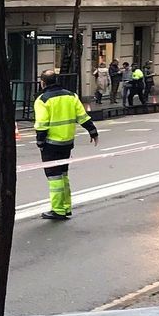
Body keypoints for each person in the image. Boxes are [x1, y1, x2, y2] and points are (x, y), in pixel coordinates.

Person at [34, 69, 99, 221]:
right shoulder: (71, 96)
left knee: (54, 177)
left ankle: (58, 210)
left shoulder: (42, 100)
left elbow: (42, 125)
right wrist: (93, 131)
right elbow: (82, 116)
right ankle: (66, 207)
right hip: (67, 143)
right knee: (63, 175)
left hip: (51, 144)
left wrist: (40, 142)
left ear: (42, 82)